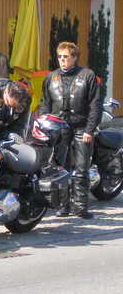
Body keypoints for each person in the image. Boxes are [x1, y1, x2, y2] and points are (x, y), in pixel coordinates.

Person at [40, 41, 101, 219]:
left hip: (82, 126)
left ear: (74, 57)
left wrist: (90, 129)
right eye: (59, 56)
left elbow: (95, 105)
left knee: (81, 168)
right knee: (60, 169)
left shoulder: (87, 75)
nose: (62, 60)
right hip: (59, 128)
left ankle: (80, 207)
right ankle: (63, 207)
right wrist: (44, 125)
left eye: (66, 57)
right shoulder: (51, 77)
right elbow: (45, 104)